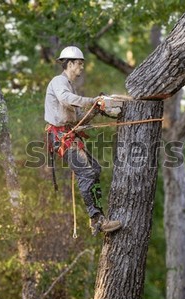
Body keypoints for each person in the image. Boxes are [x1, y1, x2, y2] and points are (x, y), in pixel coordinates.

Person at [44, 46, 122, 236]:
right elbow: (65, 99)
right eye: (79, 64)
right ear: (69, 63)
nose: (81, 68)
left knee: (94, 169)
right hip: (60, 136)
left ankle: (96, 219)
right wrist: (92, 100)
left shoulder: (70, 87)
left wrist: (97, 109)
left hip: (69, 135)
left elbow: (79, 116)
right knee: (86, 172)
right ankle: (98, 220)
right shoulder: (59, 82)